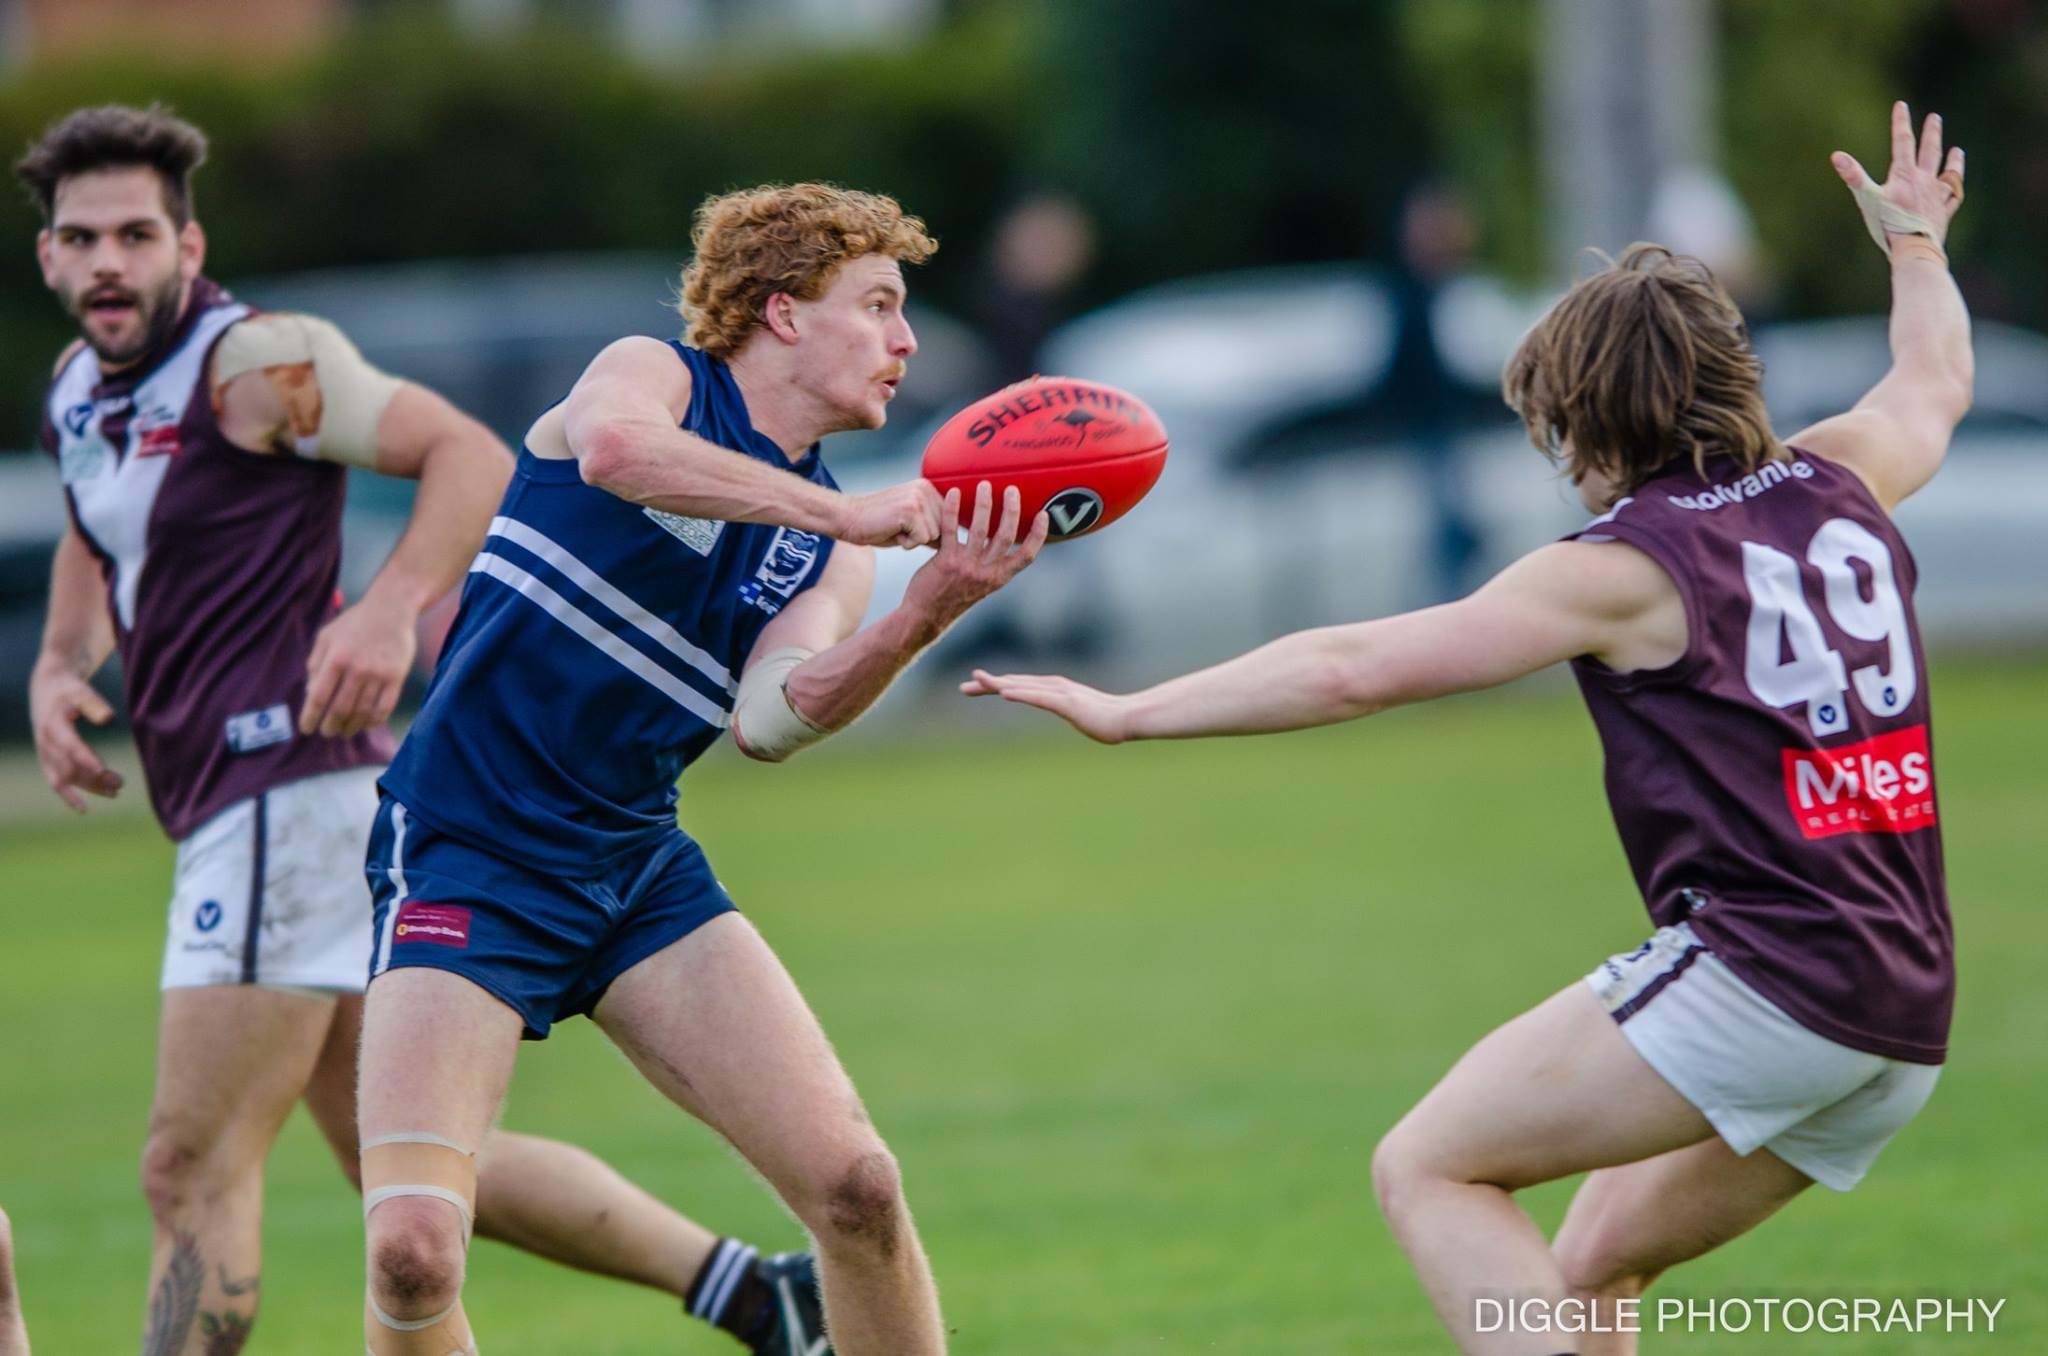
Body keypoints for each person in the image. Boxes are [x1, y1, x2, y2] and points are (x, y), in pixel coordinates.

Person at [966, 102, 1967, 1356]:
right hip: (1900, 1003)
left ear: (1589, 419)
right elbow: (1933, 378)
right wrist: (1912, 245)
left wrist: (1128, 714)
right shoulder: (1844, 472)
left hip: (1771, 980)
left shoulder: (1622, 567)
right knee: (1586, 1266)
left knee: (1428, 1167)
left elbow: (1349, 669)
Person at [20, 103, 839, 1356]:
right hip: (257, 806)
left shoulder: (256, 365)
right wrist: (58, 667)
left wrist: (389, 607)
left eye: (138, 235)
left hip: (280, 790)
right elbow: (95, 524)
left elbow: (462, 451)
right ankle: (751, 1291)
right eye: (82, 239)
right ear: (48, 257)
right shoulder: (81, 392)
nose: (109, 263)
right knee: (404, 1170)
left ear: (189, 247)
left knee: (190, 1167)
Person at [355, 181, 1044, 1356]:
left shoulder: (827, 548)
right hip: (469, 853)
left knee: (857, 1191)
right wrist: (840, 520)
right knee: (414, 1254)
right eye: (877, 305)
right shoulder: (656, 379)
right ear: (783, 312)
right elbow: (618, 453)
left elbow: (772, 720)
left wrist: (921, 613)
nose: (906, 340)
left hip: (634, 870)